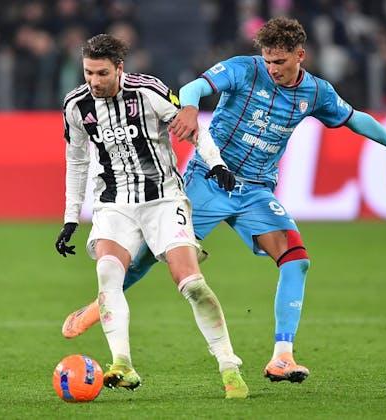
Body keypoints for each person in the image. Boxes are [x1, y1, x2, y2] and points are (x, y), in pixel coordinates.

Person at [61, 18, 386, 384]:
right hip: (208, 179)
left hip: (255, 191)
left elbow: (354, 118)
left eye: (280, 62)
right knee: (148, 258)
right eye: (268, 60)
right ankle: (101, 303)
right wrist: (189, 108)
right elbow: (193, 87)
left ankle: (282, 356)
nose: (272, 69)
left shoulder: (316, 92)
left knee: (297, 260)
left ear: (300, 55)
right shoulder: (243, 69)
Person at [55, 34, 248, 399]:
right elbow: (76, 160)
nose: (94, 81)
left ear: (119, 69)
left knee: (192, 284)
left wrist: (216, 163)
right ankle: (122, 364)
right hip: (114, 203)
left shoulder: (149, 92)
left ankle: (229, 367)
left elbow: (193, 129)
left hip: (163, 198)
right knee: (108, 275)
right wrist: (70, 218)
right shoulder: (76, 105)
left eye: (101, 73)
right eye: (88, 73)